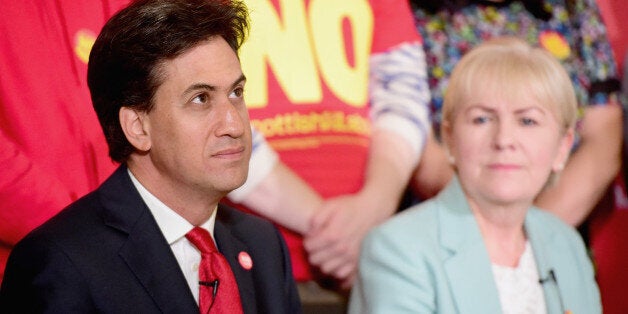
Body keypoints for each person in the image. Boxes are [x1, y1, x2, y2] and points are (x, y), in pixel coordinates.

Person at [0, 0, 300, 313]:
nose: (235, 125)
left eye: (236, 93)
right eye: (201, 99)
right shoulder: (62, 261)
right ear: (138, 128)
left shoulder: (263, 246)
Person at [349, 37, 601, 313]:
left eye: (527, 120)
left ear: (562, 148)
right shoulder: (397, 249)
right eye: (482, 119)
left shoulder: (568, 245)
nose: (504, 139)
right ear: (449, 138)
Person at [225, 0, 444, 297]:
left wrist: (373, 208)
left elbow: (402, 96)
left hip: (369, 260)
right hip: (235, 264)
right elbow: (194, 112)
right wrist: (342, 235)